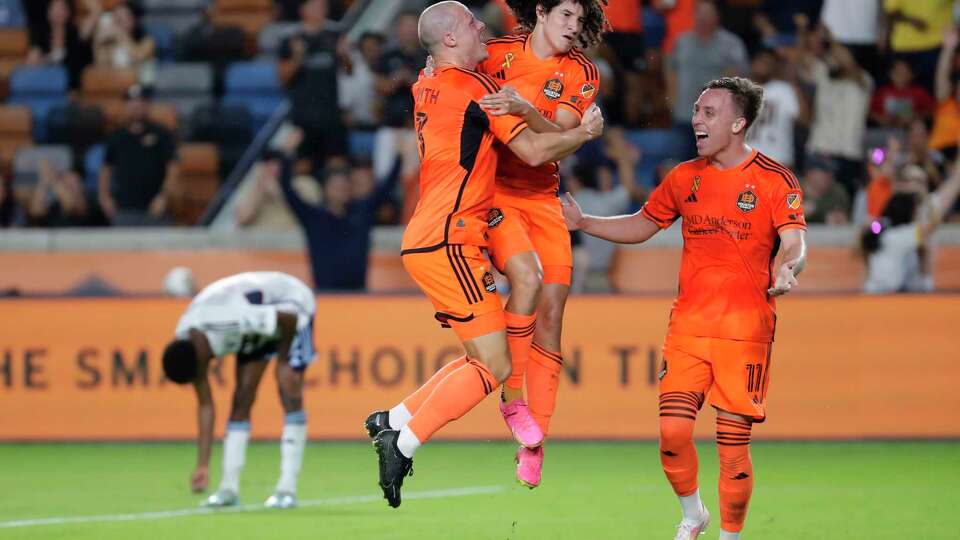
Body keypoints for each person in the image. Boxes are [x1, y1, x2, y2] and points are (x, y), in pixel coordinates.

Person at [362, 0, 603, 508]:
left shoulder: (427, 82)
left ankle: (396, 419)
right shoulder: (479, 87)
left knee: (494, 337)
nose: (483, 30)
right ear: (451, 40)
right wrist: (585, 133)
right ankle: (403, 443)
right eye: (472, 25)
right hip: (452, 237)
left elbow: (432, 67)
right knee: (492, 366)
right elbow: (536, 151)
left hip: (444, 231)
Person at [562, 77, 807, 540]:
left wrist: (787, 268)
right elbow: (641, 225)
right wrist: (584, 222)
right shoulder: (683, 178)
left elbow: (794, 241)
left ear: (738, 123)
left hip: (745, 330)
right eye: (696, 110)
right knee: (673, 434)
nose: (697, 118)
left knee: (732, 447)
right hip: (689, 329)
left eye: (709, 112)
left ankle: (729, 537)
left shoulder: (776, 179)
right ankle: (693, 514)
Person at [458, 0, 607, 488]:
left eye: (580, 21)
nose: (572, 27)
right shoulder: (495, 53)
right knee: (529, 278)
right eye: (565, 15)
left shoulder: (581, 72)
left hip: (544, 196)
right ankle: (512, 397)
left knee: (555, 312)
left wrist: (530, 113)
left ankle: (534, 442)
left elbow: (561, 137)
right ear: (540, 12)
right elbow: (452, 75)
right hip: (494, 190)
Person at [161, 271, 316, 509]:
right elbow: (205, 404)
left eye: (199, 374)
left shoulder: (231, 320)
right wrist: (203, 464)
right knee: (242, 398)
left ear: (200, 358)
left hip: (291, 304)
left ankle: (287, 489)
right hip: (254, 319)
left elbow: (287, 319)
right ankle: (228, 490)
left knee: (288, 389)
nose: (200, 379)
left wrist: (283, 359)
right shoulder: (185, 340)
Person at [276, 128, 401, 290]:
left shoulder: (361, 211)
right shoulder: (313, 217)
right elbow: (287, 190)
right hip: (326, 297)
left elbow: (386, 187)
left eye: (345, 185)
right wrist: (287, 154)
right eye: (336, 186)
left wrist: (399, 156)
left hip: (359, 297)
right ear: (326, 189)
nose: (342, 189)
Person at [862, 157, 960, 294]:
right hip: (886, 293)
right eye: (910, 181)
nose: (914, 187)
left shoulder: (887, 228)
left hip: (882, 289)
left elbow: (872, 233)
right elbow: (932, 225)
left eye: (920, 182)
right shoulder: (901, 233)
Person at [278, 0, 350, 170]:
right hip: (303, 115)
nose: (320, 9)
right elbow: (283, 78)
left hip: (331, 113)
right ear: (303, 9)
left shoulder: (336, 34)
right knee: (303, 166)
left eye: (323, 5)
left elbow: (349, 71)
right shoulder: (291, 38)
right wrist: (297, 57)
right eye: (315, 5)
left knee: (337, 166)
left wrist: (345, 56)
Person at [98, 84, 178, 226]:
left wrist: (164, 197)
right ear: (125, 106)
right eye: (131, 102)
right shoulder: (116, 136)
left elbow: (173, 169)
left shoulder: (162, 134)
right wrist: (104, 197)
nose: (136, 106)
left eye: (140, 101)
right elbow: (105, 169)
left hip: (155, 210)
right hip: (123, 210)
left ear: (147, 105)